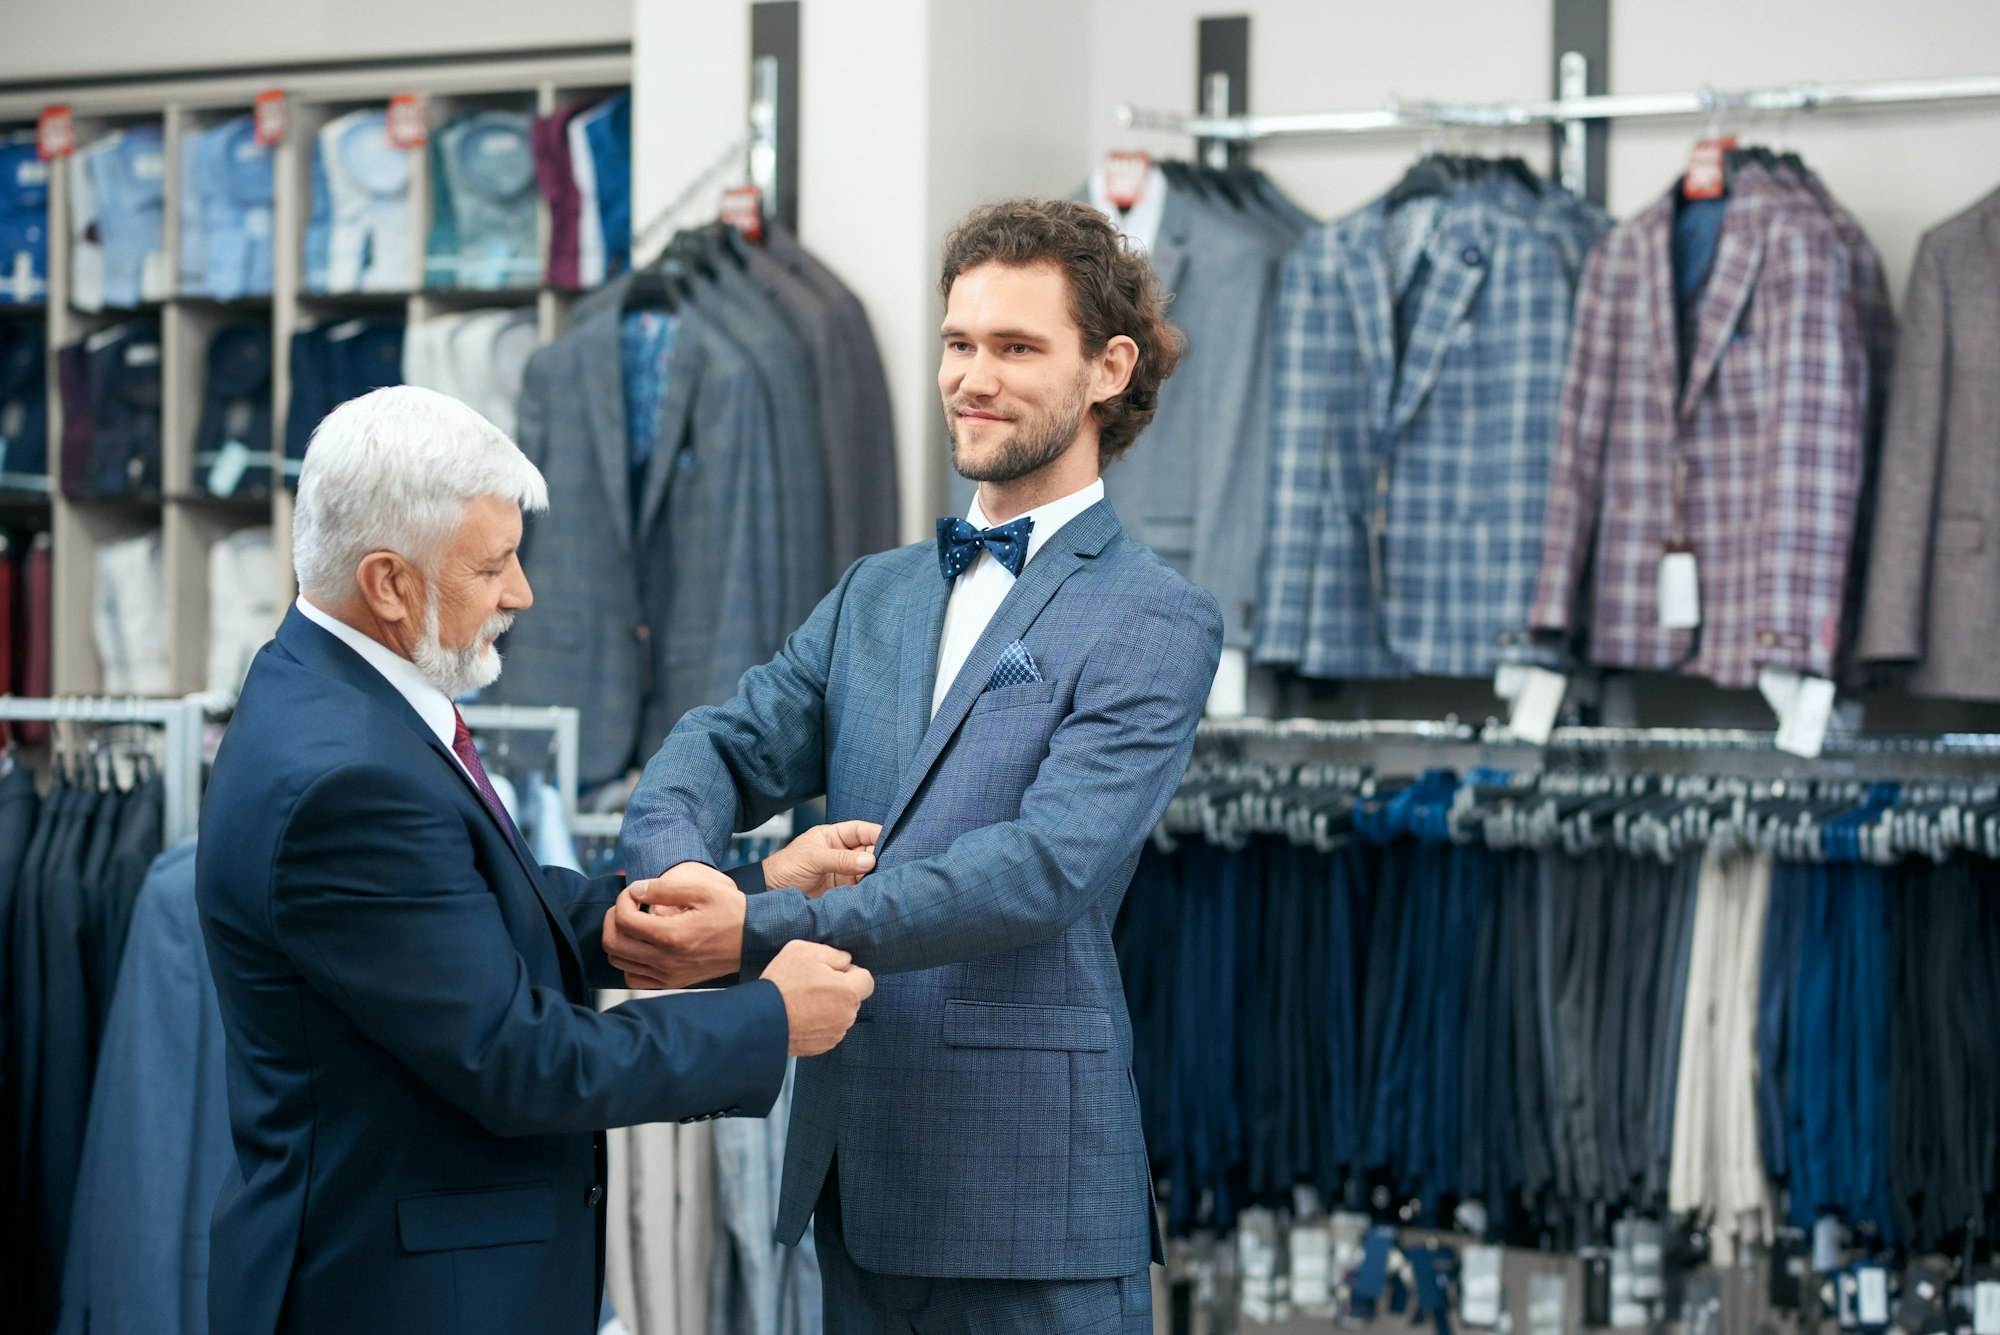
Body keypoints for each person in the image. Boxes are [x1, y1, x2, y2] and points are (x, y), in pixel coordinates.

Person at [606, 199, 1222, 1333]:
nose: (970, 378)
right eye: (957, 342)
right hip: (852, 1176)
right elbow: (720, 744)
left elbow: (1044, 868)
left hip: (1028, 1201)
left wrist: (750, 927)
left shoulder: (1154, 617)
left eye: (1016, 347)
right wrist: (673, 880)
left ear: (1107, 367)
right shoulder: (873, 594)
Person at [196, 386, 878, 1335]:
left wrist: (747, 892)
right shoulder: (345, 776)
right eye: (494, 565)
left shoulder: (329, 689)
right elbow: (520, 1062)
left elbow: (467, 907)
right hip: (400, 1297)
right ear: (390, 583)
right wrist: (768, 1019)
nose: (521, 593)